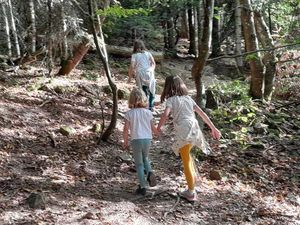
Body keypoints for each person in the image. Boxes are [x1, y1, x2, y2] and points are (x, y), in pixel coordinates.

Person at [157, 75, 221, 201]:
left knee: (185, 160)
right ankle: (192, 185)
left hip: (184, 130)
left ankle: (191, 192)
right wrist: (214, 128)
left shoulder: (171, 100)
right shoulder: (188, 98)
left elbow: (165, 114)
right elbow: (202, 114)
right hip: (195, 128)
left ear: (168, 87)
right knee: (187, 156)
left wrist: (158, 127)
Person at [123, 87, 158, 195]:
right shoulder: (148, 112)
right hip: (147, 139)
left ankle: (142, 187)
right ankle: (150, 172)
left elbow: (125, 129)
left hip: (136, 140)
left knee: (139, 164)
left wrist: (125, 141)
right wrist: (158, 133)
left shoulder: (129, 114)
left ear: (131, 100)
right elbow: (153, 128)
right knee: (145, 158)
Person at [128, 40, 156, 111]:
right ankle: (151, 106)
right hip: (149, 72)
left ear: (135, 47)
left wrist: (130, 77)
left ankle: (144, 106)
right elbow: (153, 63)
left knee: (141, 90)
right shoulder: (148, 53)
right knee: (151, 89)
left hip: (140, 73)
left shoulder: (134, 55)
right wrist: (151, 69)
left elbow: (132, 66)